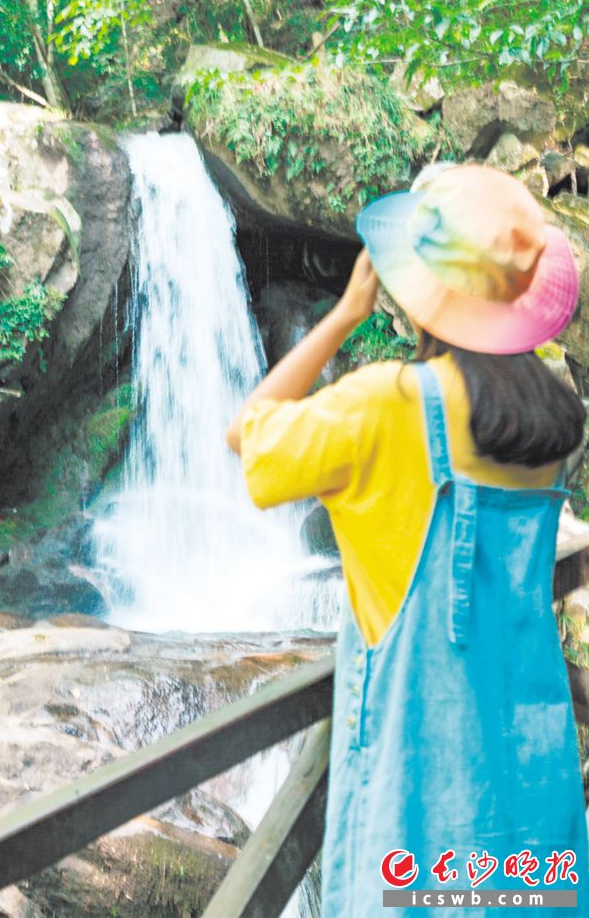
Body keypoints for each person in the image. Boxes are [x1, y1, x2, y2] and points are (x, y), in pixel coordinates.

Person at [225, 163, 589, 917]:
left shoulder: (387, 405)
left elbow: (247, 433)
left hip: (423, 807)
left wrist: (346, 313)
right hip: (529, 785)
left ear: (417, 286)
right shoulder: (552, 424)